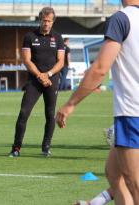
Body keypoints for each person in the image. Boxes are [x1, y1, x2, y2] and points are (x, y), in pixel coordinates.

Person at [56, 0, 139, 203]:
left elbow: (100, 68)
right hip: (131, 114)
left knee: (135, 184)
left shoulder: (122, 18)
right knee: (114, 173)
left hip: (132, 113)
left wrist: (70, 104)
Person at [9, 7, 65, 157]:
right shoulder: (29, 36)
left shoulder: (58, 38)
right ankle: (16, 148)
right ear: (40, 20)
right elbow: (26, 60)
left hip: (52, 80)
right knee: (24, 112)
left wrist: (48, 74)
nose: (46, 23)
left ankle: (46, 147)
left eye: (49, 21)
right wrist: (40, 75)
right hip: (34, 80)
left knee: (50, 113)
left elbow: (61, 62)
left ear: (53, 22)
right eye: (44, 20)